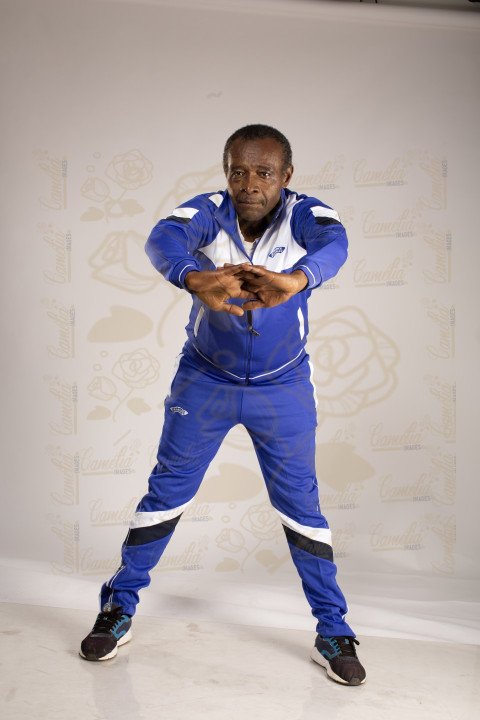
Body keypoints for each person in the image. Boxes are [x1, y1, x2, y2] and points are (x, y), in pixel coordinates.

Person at [79, 124, 366, 686]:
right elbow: (162, 237)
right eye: (238, 171)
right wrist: (193, 277)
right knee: (166, 494)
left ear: (286, 175)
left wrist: (296, 280)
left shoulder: (305, 213)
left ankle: (333, 629)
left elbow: (337, 244)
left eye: (264, 172)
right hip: (205, 381)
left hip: (283, 387)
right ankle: (118, 607)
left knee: (301, 509)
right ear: (226, 173)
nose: (249, 184)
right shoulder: (208, 211)